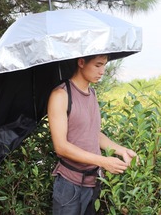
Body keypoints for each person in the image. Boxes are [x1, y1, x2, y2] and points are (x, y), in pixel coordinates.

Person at [47, 54, 137, 215]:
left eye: (104, 65)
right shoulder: (61, 95)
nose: (102, 71)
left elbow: (93, 133)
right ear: (81, 62)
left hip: (92, 182)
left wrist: (122, 150)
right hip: (69, 185)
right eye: (98, 65)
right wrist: (103, 161)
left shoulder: (92, 93)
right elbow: (61, 147)